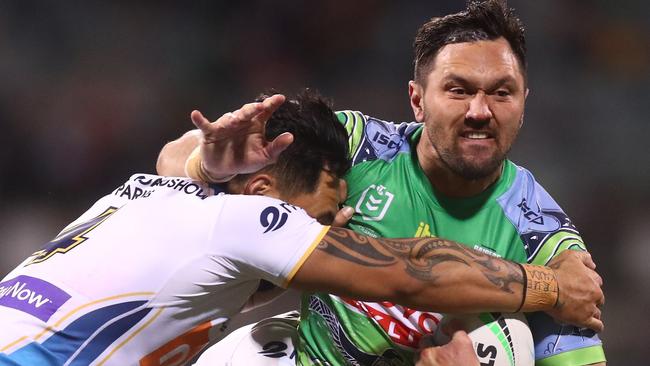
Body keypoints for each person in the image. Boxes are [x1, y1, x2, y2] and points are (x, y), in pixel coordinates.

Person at [0, 91, 601, 366]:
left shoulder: (139, 196)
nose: (324, 232)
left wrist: (202, 161)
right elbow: (409, 275)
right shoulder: (245, 221)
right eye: (316, 221)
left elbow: (180, 163)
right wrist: (550, 288)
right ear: (264, 190)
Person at [156, 2, 607, 365]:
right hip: (298, 355)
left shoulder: (543, 236)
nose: (479, 111)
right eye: (458, 89)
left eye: (501, 92)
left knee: (513, 342)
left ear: (524, 102)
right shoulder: (354, 146)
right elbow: (173, 158)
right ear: (417, 100)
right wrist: (206, 165)